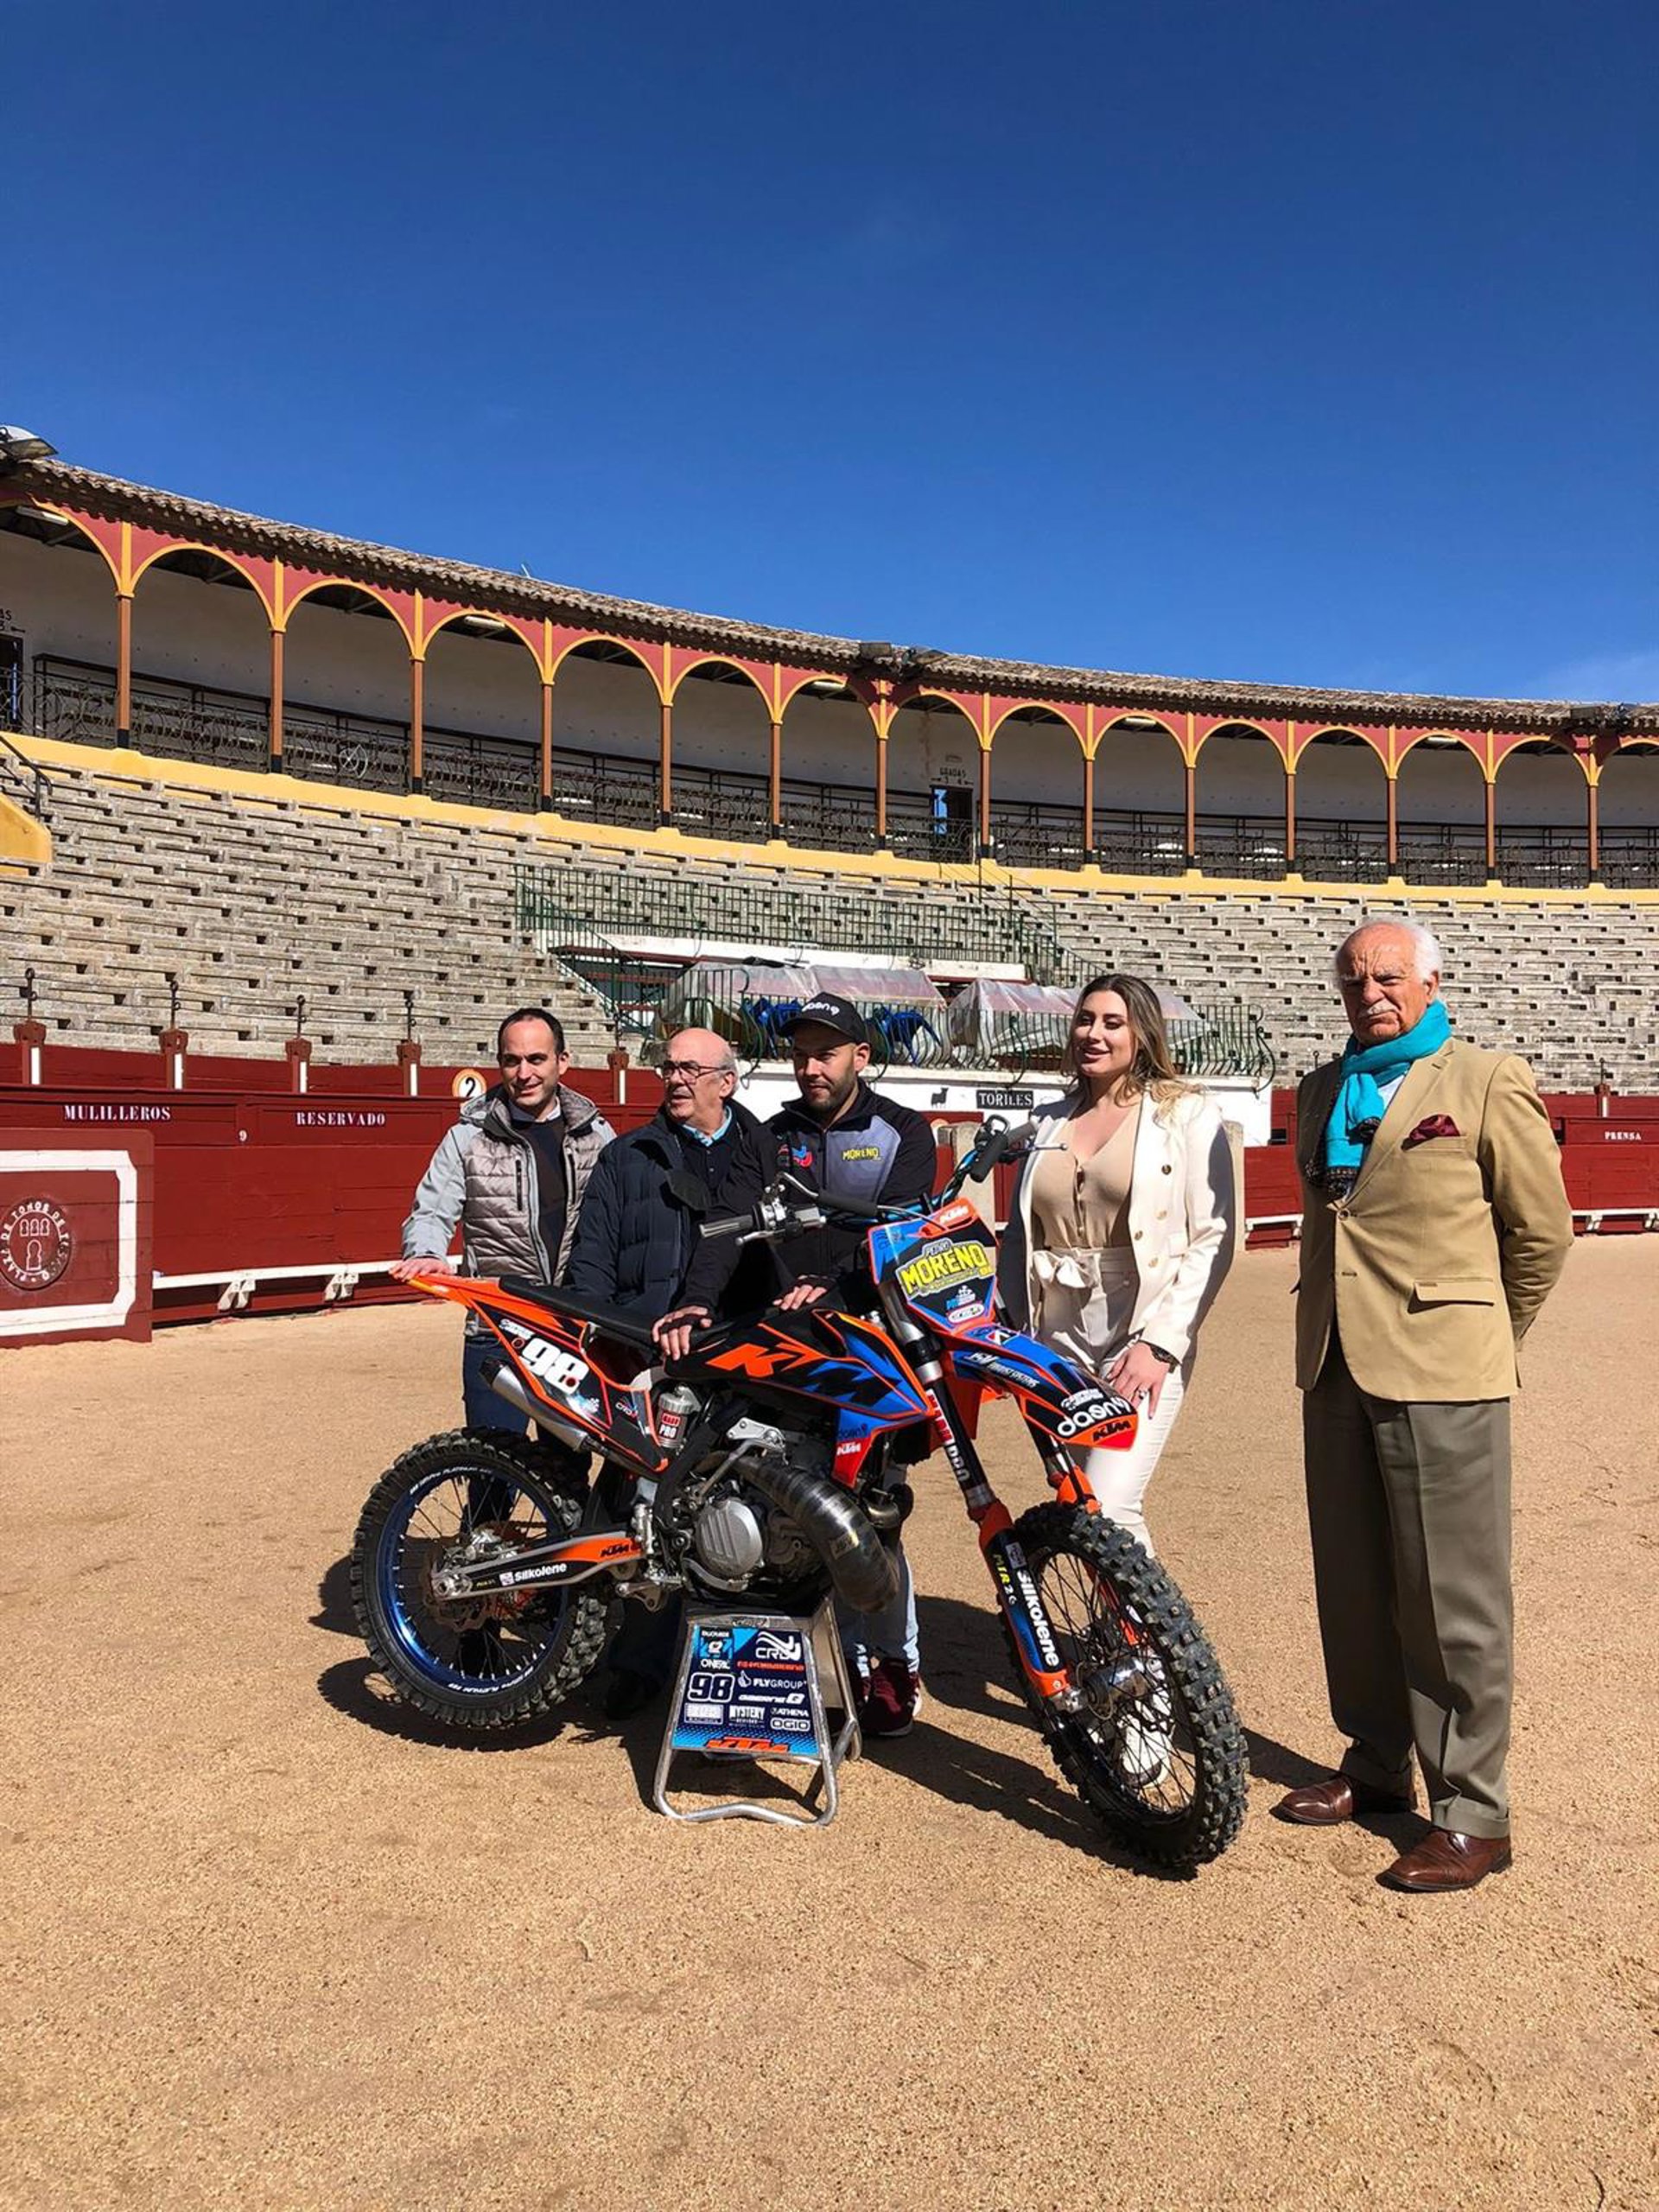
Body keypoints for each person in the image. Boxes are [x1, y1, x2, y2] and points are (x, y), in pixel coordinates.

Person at [1275, 918, 1573, 1893]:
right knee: (1354, 1583)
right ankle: (1375, 1761)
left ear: (1432, 982)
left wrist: (1481, 1336)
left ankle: (1475, 1811)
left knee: (1455, 1598)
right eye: (1354, 979)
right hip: (1335, 1360)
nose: (1370, 993)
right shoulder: (1321, 1090)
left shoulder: (1486, 1080)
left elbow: (1541, 1234)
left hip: (1446, 1372)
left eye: (1389, 976)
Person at [563, 1027, 775, 1719]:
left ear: (726, 1081)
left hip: (741, 1357)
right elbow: (591, 1258)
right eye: (669, 1067)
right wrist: (607, 1344)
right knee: (635, 1508)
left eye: (690, 1069)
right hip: (648, 1357)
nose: (675, 1079)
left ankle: (731, 1674)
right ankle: (628, 1660)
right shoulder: (628, 1157)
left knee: (738, 1509)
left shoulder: (764, 1152)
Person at [997, 973, 1236, 1556]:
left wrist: (1161, 1344)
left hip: (1140, 1321)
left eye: (1112, 1023)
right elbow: (1020, 1236)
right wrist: (1014, 1338)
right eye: (1085, 1020)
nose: (1094, 1034)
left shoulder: (1184, 1113)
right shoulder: (1047, 1118)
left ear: (1141, 1034)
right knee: (1080, 1500)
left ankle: (1154, 1623)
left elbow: (1213, 1236)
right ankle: (1116, 1617)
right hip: (1055, 1334)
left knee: (1110, 1503)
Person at [765, 992, 940, 1738]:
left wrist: (833, 1291)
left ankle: (895, 1663)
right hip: (787, 1350)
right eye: (801, 1053)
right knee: (798, 1513)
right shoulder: (772, 1135)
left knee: (876, 1515)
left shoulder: (905, 1131)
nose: (811, 1067)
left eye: (826, 1053)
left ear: (860, 1057)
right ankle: (830, 1665)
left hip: (875, 1347)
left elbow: (900, 1236)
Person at [391, 1007, 613, 1430]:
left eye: (536, 1059)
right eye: (512, 1061)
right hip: (497, 1325)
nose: (524, 1073)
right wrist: (425, 1251)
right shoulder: (469, 1136)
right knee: (492, 1459)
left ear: (562, 1061)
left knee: (566, 1464)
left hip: (572, 1326)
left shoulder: (596, 1134)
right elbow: (433, 1209)